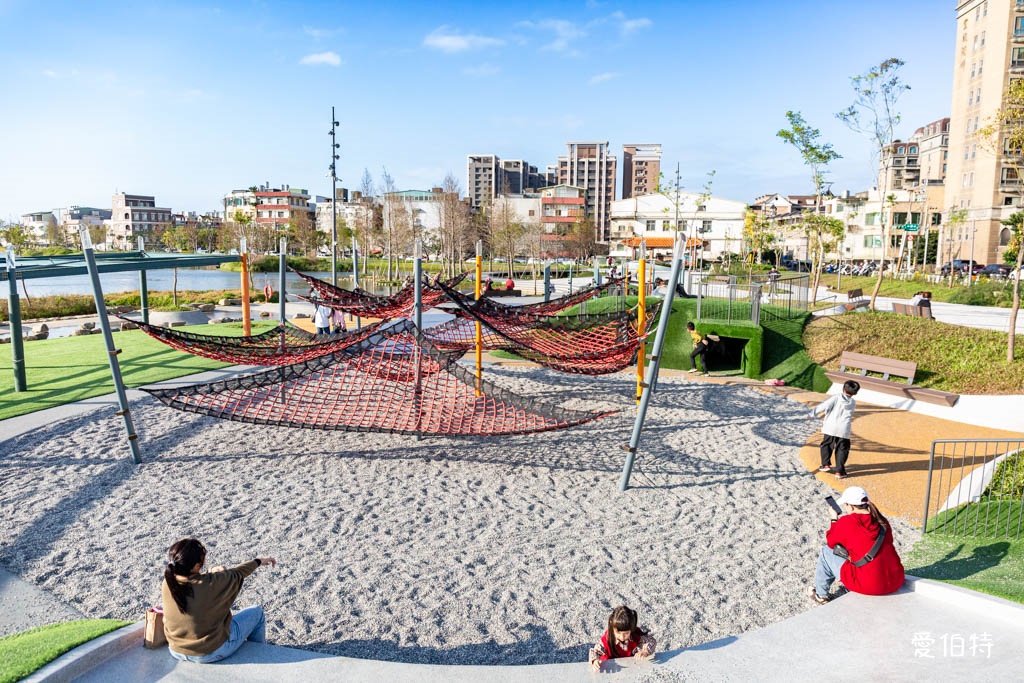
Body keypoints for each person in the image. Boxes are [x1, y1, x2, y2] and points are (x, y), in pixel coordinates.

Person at [162, 538, 277, 664]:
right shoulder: (211, 584)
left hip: (176, 649)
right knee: (257, 613)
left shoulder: (168, 582)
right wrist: (258, 561)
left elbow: (193, 583)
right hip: (210, 653)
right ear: (196, 566)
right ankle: (260, 655)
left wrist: (209, 572)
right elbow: (238, 573)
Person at [808, 486, 905, 604]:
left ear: (851, 506)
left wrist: (834, 519)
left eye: (845, 505)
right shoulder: (882, 520)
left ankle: (821, 595)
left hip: (872, 585)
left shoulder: (847, 522)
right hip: (896, 579)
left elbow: (831, 541)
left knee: (826, 551)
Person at [808, 379, 860, 479]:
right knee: (842, 449)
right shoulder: (853, 403)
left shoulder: (836, 397)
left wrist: (812, 413)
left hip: (830, 426)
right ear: (855, 393)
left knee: (827, 445)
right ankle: (839, 471)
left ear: (843, 388)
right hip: (844, 428)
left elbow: (824, 405)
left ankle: (825, 464)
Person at [588, 605, 656, 671]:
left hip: (631, 667)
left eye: (626, 633)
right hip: (613, 668)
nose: (622, 637)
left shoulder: (635, 636)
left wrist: (645, 651)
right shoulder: (608, 639)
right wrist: (595, 660)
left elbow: (652, 641)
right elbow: (595, 651)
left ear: (631, 629)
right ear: (612, 627)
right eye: (618, 633)